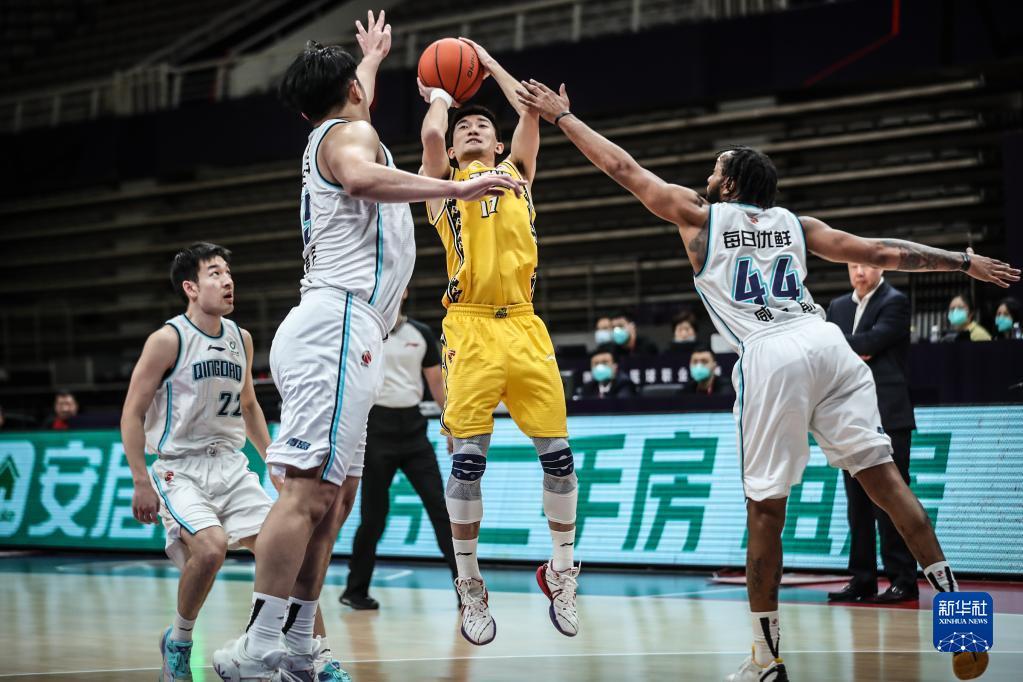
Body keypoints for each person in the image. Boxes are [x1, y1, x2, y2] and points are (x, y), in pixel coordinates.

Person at [518, 77, 1018, 681]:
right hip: (827, 342)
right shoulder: (796, 225)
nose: (707, 176)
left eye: (714, 169)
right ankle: (961, 620)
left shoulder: (700, 217)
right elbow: (882, 251)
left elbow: (624, 169)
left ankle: (765, 658)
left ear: (729, 184)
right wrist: (961, 261)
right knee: (887, 482)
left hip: (770, 353)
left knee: (765, 511)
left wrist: (563, 118)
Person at [211, 14, 523, 681]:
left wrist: (372, 59)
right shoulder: (351, 138)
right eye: (361, 84)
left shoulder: (335, 126)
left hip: (351, 331)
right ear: (350, 93)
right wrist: (458, 186)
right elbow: (360, 177)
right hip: (337, 324)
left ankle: (298, 644)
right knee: (307, 495)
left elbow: (357, 120)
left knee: (335, 498)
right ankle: (258, 646)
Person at [418, 38, 581, 646]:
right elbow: (431, 139)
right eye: (465, 127)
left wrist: (484, 61)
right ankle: (469, 583)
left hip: (526, 326)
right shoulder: (444, 187)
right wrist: (440, 97)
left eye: (483, 125)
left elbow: (528, 108)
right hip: (470, 326)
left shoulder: (518, 173)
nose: (473, 129)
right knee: (468, 461)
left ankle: (562, 571)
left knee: (559, 457)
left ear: (499, 141)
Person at [123, 243, 347, 681]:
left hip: (231, 464)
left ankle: (314, 658)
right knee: (210, 549)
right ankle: (179, 642)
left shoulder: (240, 338)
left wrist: (274, 463)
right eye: (214, 273)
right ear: (190, 287)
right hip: (180, 467)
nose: (227, 281)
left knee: (289, 552)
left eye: (228, 272)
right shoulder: (167, 340)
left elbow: (249, 406)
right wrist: (140, 480)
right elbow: (132, 413)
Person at [339, 293, 458, 610]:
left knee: (441, 509)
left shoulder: (421, 333)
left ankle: (467, 590)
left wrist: (452, 426)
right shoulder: (363, 331)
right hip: (376, 430)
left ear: (405, 290)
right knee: (373, 516)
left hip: (414, 431)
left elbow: (437, 384)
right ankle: (355, 590)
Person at [826, 264, 918, 604]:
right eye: (853, 266)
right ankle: (862, 578)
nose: (860, 271)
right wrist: (851, 349)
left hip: (888, 413)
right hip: (850, 416)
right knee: (857, 504)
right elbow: (835, 353)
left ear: (880, 266)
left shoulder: (895, 301)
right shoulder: (838, 306)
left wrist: (840, 346)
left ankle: (903, 578)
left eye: (866, 264)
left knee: (892, 500)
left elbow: (871, 342)